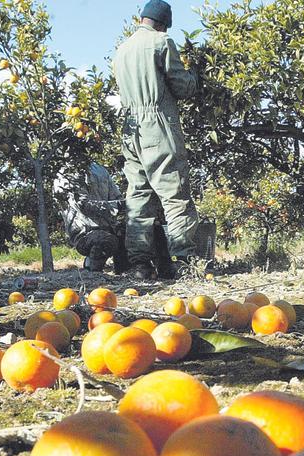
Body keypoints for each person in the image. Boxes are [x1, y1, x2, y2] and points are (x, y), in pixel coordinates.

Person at [113, 0, 200, 280]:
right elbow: (182, 87)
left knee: (137, 194)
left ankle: (140, 265)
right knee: (174, 191)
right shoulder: (162, 42)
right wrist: (195, 75)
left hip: (129, 126)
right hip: (157, 123)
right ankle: (184, 260)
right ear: (163, 23)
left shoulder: (121, 50)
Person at [56, 163, 129, 273]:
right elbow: (83, 205)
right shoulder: (66, 173)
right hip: (84, 232)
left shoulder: (101, 170)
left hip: (109, 227)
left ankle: (125, 273)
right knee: (104, 240)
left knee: (133, 231)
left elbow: (117, 197)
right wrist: (117, 205)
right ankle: (92, 270)